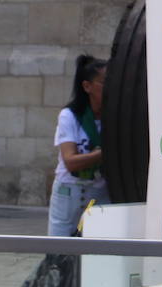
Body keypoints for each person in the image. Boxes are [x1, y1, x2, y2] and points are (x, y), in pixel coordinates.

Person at [49, 55, 107, 237]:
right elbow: (70, 161)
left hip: (99, 190)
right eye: (104, 83)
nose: (110, 88)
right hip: (69, 191)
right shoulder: (70, 116)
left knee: (95, 252)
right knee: (60, 249)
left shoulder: (113, 116)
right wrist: (103, 154)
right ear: (87, 86)